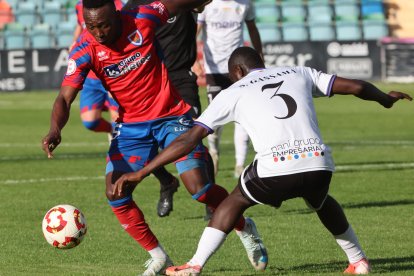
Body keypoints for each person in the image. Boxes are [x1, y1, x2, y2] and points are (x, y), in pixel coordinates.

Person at [112, 47, 412, 275]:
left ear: (238, 71)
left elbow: (188, 139)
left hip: (277, 167)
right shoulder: (300, 72)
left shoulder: (234, 91)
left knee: (233, 202)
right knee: (320, 199)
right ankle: (358, 261)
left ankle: (194, 265)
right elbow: (356, 87)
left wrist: (143, 172)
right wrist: (384, 98)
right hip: (319, 164)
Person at [41, 1, 267, 275]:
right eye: (91, 26)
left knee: (199, 189)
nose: (98, 32)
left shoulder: (142, 18)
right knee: (115, 192)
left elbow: (176, 4)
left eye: (103, 25)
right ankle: (159, 256)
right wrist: (56, 128)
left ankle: (245, 227)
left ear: (117, 14)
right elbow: (64, 98)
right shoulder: (84, 49)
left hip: (172, 116)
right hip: (131, 127)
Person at [72, 0, 180, 219]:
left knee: (133, 135)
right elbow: (81, 28)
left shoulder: (122, 6)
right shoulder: (82, 6)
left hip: (121, 73)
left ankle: (164, 180)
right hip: (93, 72)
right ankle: (164, 177)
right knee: (90, 121)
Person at [123, 0, 214, 219]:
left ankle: (212, 203)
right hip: (148, 83)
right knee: (146, 145)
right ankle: (166, 181)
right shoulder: (133, 6)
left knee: (195, 137)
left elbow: (201, 6)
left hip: (181, 79)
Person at [197, 0, 263, 178]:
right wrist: (194, 59)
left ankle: (239, 164)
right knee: (215, 119)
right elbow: (196, 30)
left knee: (242, 117)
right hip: (214, 69)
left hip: (239, 68)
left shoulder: (245, 4)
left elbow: (252, 28)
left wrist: (259, 54)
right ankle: (213, 151)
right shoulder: (207, 4)